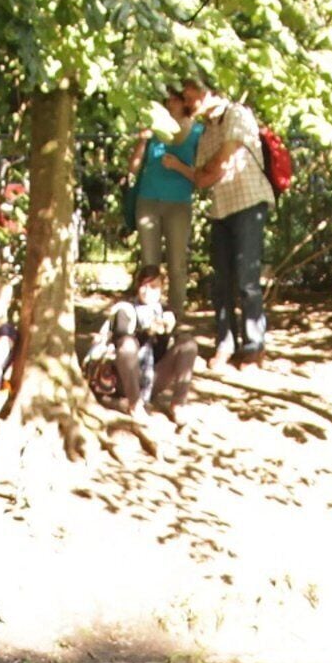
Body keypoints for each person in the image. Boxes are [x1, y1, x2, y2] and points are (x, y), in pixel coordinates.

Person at [173, 79, 272, 366]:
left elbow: (223, 161)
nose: (188, 102)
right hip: (220, 209)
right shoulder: (206, 132)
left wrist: (213, 166)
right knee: (221, 282)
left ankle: (254, 348)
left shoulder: (238, 114)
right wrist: (212, 166)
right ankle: (225, 344)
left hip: (248, 202)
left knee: (246, 281)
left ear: (208, 91)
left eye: (191, 95)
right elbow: (203, 178)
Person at [86, 268, 179, 414]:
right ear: (137, 286)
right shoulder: (124, 309)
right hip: (122, 378)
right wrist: (148, 331)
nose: (148, 291)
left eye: (154, 287)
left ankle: (178, 406)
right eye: (144, 286)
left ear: (162, 289)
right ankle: (134, 405)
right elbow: (122, 341)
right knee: (128, 344)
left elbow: (159, 355)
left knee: (188, 344)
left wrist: (165, 333)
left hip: (149, 379)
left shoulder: (164, 312)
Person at [130, 107, 198, 295]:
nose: (171, 104)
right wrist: (142, 139)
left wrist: (178, 166)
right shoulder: (154, 129)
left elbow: (201, 176)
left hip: (179, 203)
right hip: (148, 200)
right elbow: (133, 168)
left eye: (176, 100)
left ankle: (175, 313)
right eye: (168, 101)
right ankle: (149, 312)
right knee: (149, 265)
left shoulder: (197, 131)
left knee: (177, 264)